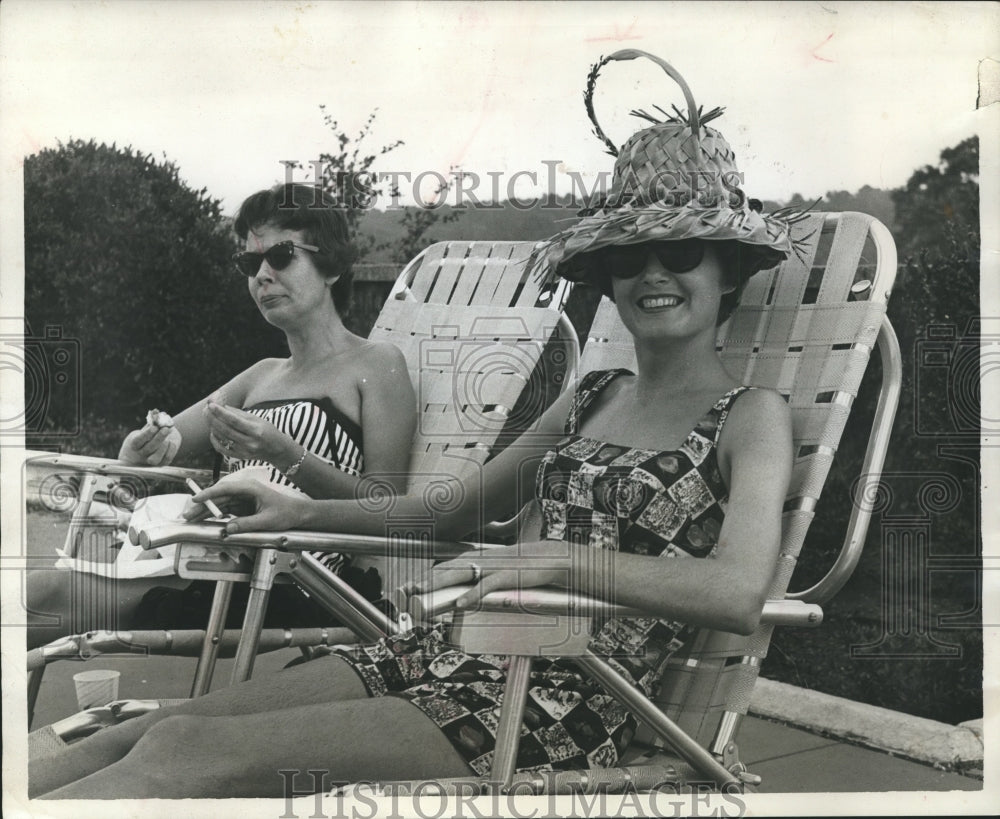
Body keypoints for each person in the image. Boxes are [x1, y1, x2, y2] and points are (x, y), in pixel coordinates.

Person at [30, 51, 799, 798]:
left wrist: (560, 563)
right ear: (608, 275)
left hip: (557, 695)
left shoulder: (750, 416)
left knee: (191, 754)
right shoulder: (596, 393)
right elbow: (452, 511)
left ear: (727, 269)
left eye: (683, 250)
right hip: (445, 642)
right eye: (631, 257)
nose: (655, 273)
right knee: (150, 730)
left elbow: (736, 590)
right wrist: (306, 512)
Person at [26, 183, 417, 649]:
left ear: (330, 265)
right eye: (251, 264)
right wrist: (140, 448)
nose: (262, 276)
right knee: (32, 595)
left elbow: (388, 510)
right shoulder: (260, 376)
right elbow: (166, 442)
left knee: (40, 597)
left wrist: (284, 453)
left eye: (281, 255)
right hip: (213, 566)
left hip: (297, 583)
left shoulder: (377, 364)